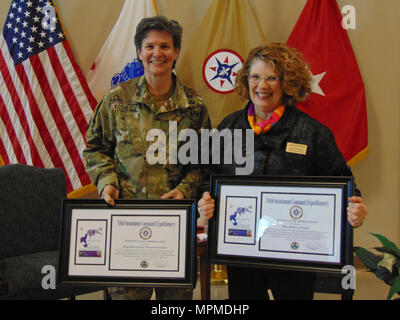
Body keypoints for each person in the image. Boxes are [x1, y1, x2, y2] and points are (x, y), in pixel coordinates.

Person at [197, 42, 368, 300]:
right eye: (255, 77)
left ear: (287, 83)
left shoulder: (312, 132)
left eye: (271, 78)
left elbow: (343, 184)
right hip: (242, 250)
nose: (261, 86)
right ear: (246, 80)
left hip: (293, 253)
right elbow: (207, 177)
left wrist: (354, 207)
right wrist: (205, 200)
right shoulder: (228, 128)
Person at [83, 16, 211, 300]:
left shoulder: (194, 106)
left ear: (176, 52)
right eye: (149, 46)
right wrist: (107, 182)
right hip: (127, 220)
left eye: (165, 46)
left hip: (175, 225)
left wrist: (185, 189)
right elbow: (95, 147)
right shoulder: (116, 99)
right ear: (139, 51)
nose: (157, 53)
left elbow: (202, 161)